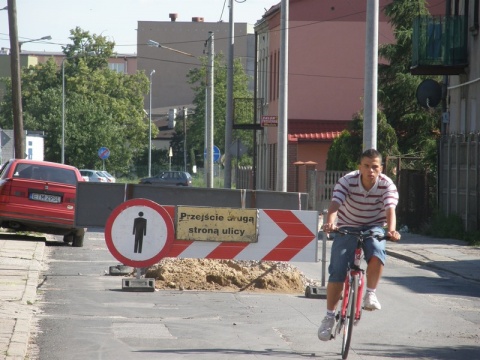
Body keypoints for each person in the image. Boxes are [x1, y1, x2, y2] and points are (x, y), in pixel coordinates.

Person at [318, 148, 401, 341]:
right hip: (347, 225)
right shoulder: (347, 181)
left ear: (381, 168)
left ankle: (370, 294)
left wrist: (391, 230)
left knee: (378, 252)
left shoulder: (387, 185)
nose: (370, 170)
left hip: (374, 226)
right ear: (360, 167)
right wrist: (330, 223)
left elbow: (390, 209)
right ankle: (329, 317)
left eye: (375, 167)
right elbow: (334, 205)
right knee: (338, 270)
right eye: (366, 166)